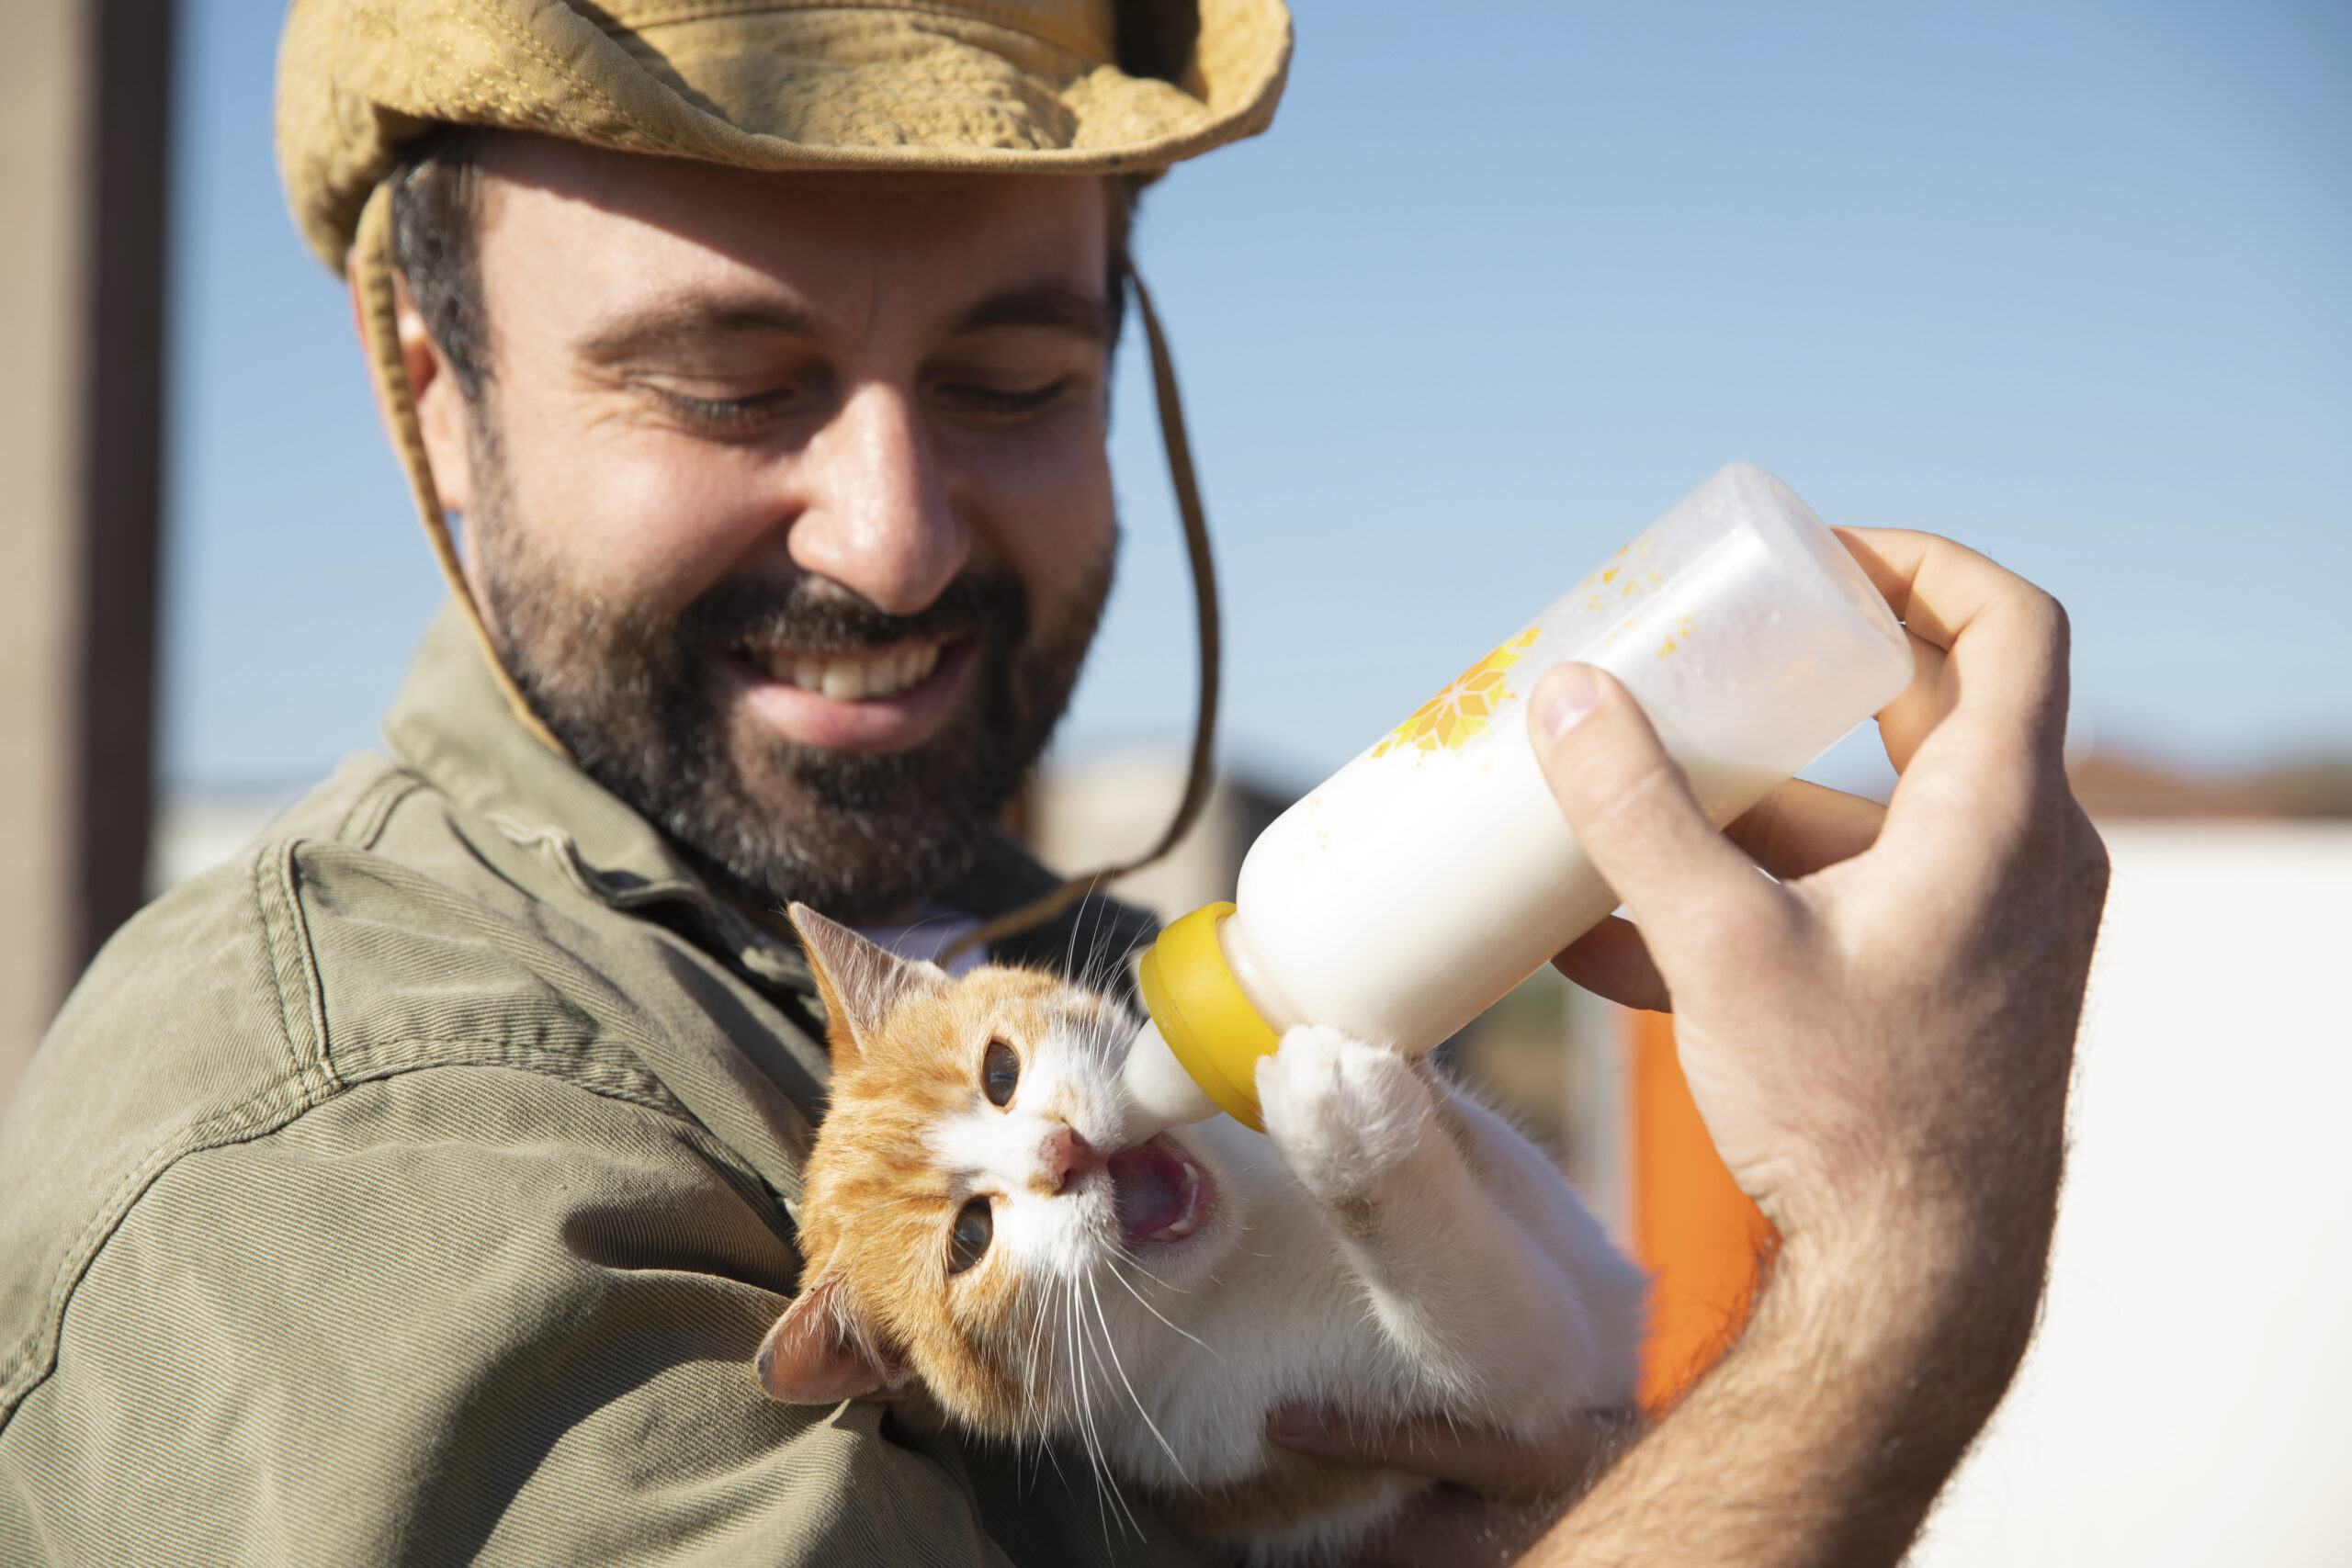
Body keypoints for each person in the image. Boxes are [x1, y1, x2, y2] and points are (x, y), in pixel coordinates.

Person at [0, 1, 2109, 1563]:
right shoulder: (345, 1141)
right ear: (431, 399)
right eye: (730, 385)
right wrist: (1895, 1245)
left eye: (1014, 379)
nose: (894, 536)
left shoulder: (1046, 950)